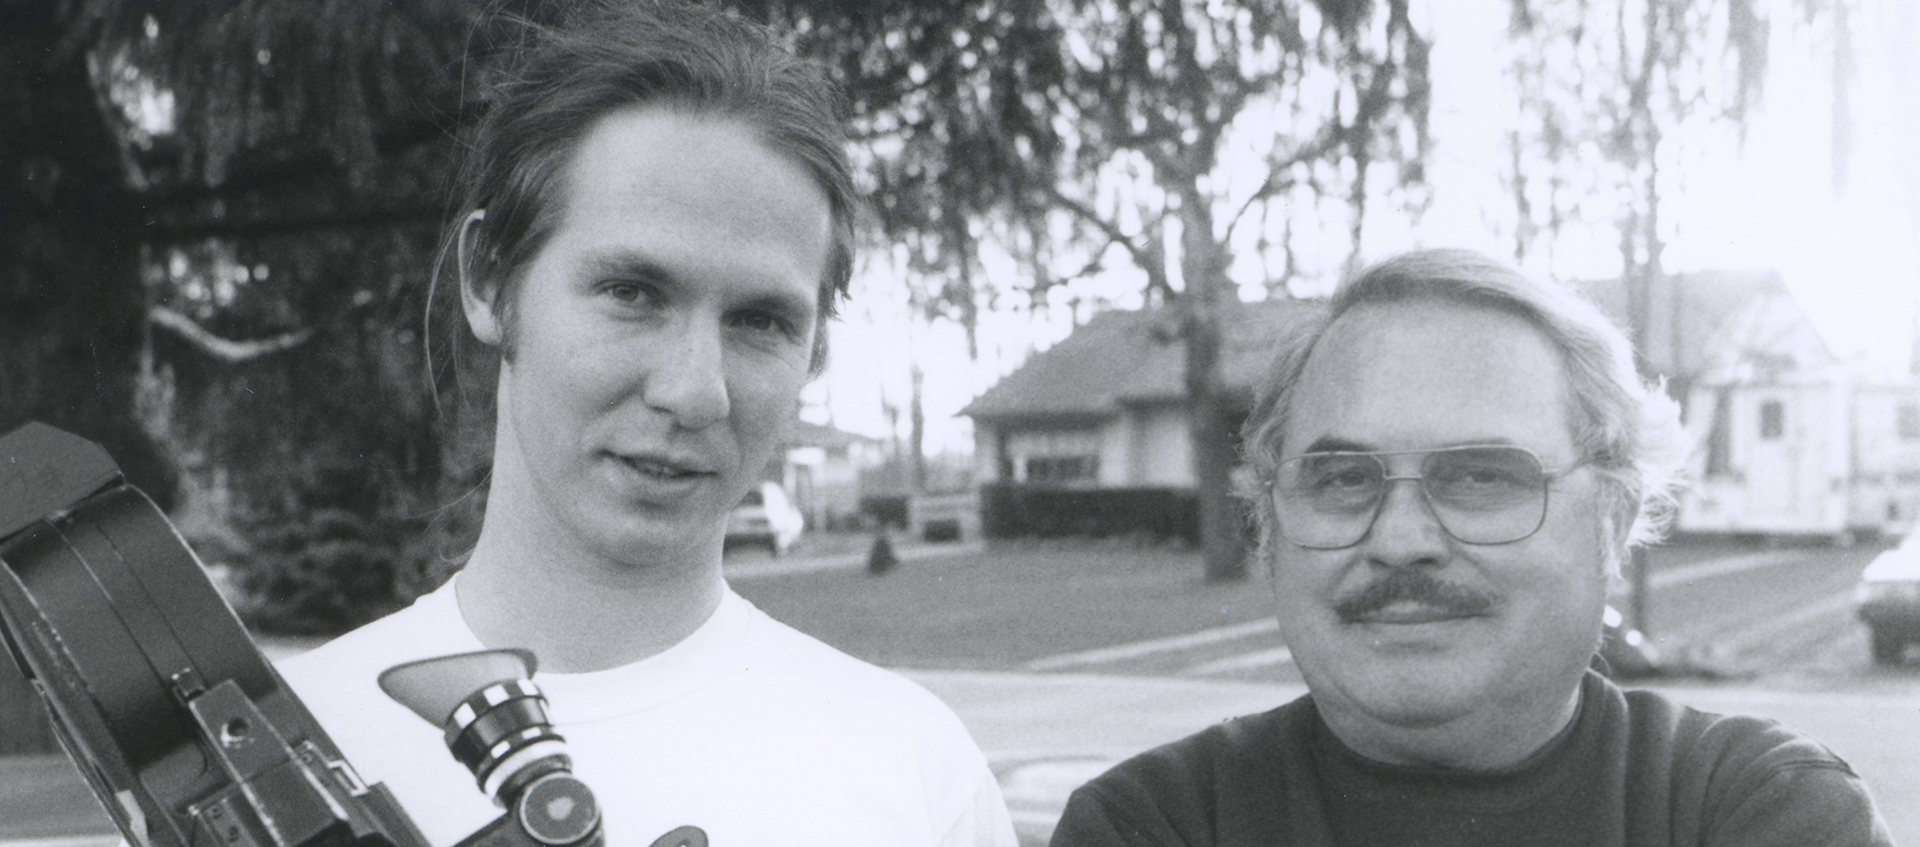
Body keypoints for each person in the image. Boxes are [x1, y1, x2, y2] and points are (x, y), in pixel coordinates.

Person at [276, 3, 1015, 845]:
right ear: (488, 279)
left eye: (762, 320)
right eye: (632, 292)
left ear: (815, 351)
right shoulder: (287, 757)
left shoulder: (914, 772)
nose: (695, 391)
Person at [1049, 249, 1893, 846]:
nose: (1402, 540)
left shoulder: (1755, 811)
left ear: (1611, 521)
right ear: (1269, 528)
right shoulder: (1153, 824)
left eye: (1483, 477)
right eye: (1343, 479)